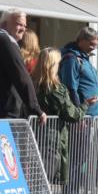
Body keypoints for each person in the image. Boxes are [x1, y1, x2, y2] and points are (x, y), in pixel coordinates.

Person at [0, 8, 46, 122]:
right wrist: (36, 109)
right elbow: (21, 76)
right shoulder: (6, 40)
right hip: (3, 113)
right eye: (19, 24)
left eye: (25, 26)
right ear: (4, 24)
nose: (23, 29)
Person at [32, 48, 88, 185]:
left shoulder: (32, 84)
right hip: (51, 138)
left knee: (36, 179)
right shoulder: (55, 88)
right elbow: (72, 114)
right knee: (44, 180)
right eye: (58, 63)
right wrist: (85, 105)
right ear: (52, 65)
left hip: (34, 134)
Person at [60, 26, 98, 117]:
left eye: (96, 45)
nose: (94, 48)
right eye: (91, 44)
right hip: (82, 116)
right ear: (82, 41)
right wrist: (78, 114)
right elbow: (70, 88)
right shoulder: (72, 59)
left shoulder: (84, 58)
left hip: (91, 115)